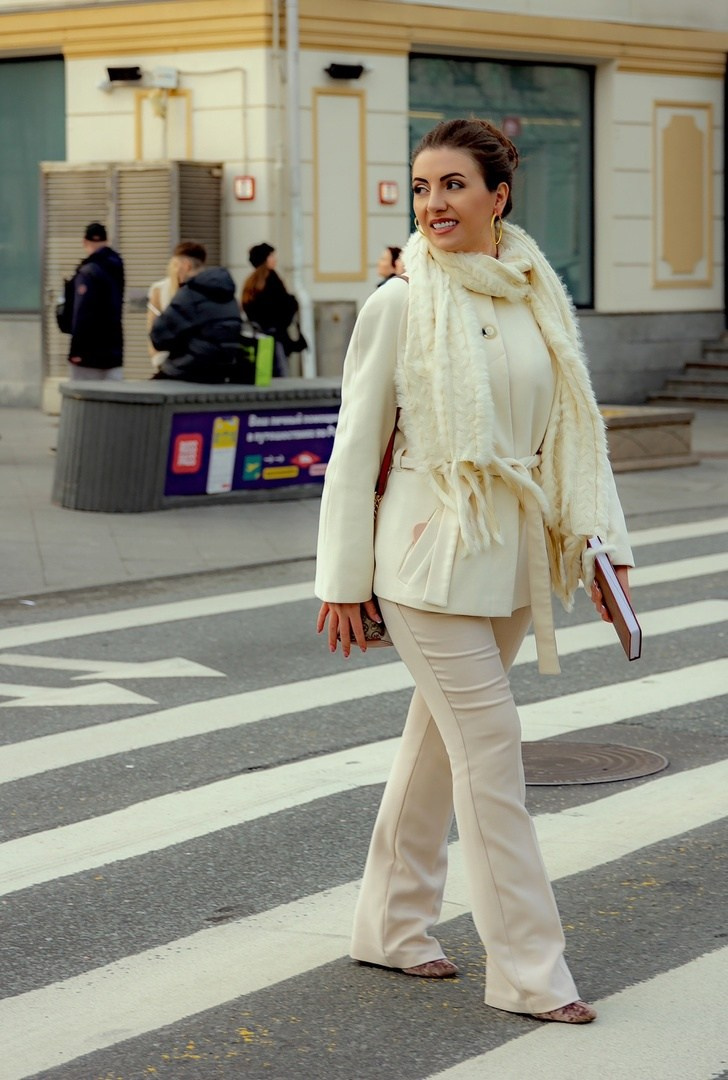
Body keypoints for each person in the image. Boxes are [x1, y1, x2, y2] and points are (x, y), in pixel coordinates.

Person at [315, 118, 634, 1025]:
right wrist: (342, 580)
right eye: (422, 187)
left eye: (453, 185)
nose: (434, 203)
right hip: (425, 560)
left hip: (514, 559)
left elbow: (575, 429)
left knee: (435, 750)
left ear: (499, 194)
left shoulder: (537, 293)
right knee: (491, 755)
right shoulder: (400, 300)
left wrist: (604, 546)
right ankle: (531, 972)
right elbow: (354, 447)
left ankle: (390, 925)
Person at [149, 242, 242, 383]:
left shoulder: (189, 294)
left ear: (186, 265)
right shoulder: (228, 294)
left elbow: (159, 337)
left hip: (193, 368)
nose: (174, 271)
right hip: (225, 368)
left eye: (176, 265)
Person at [67, 223, 125, 380]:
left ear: (84, 242)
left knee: (82, 393)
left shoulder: (88, 272)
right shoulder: (116, 266)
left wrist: (77, 351)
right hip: (113, 350)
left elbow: (82, 313)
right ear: (107, 241)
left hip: (88, 353)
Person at [241, 243, 300, 377]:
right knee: (281, 373)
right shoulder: (272, 280)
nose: (275, 259)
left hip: (258, 336)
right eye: (271, 256)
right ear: (264, 259)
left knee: (263, 374)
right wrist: (292, 302)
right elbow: (283, 307)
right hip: (276, 337)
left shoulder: (251, 283)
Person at [146, 251, 183, 371]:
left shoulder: (197, 289)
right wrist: (156, 355)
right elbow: (152, 325)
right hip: (165, 357)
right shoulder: (159, 289)